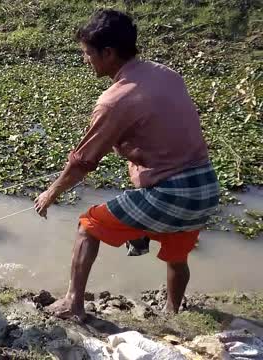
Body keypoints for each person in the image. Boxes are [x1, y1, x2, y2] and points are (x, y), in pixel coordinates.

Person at [33, 9, 220, 321]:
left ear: (108, 53)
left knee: (87, 227)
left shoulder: (115, 100)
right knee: (176, 255)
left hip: (170, 194)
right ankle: (174, 313)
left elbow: (82, 163)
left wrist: (50, 193)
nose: (85, 60)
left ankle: (72, 302)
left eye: (87, 53)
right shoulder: (166, 73)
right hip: (205, 189)